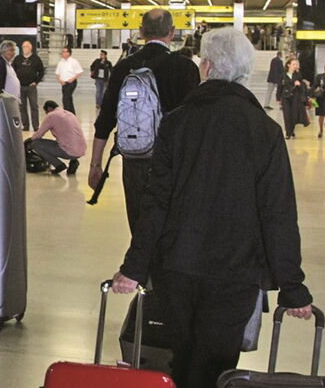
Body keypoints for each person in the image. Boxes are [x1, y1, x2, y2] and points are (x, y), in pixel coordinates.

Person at [111, 27, 314, 388]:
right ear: (246, 71)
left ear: (205, 66)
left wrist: (134, 268)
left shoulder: (177, 122)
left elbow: (155, 202)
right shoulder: (264, 130)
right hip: (235, 272)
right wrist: (292, 286)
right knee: (217, 364)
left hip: (177, 268)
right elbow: (278, 213)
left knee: (183, 355)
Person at [88, 9, 201, 233]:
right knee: (173, 227)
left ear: (141, 32)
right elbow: (196, 122)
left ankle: (140, 266)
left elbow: (106, 120)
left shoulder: (123, 67)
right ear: (172, 32)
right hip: (174, 162)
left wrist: (96, 164)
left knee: (140, 227)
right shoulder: (185, 68)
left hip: (136, 159)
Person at [29, 100, 86, 175]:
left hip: (68, 151)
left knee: (35, 144)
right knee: (66, 140)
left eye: (46, 112)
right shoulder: (69, 113)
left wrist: (29, 141)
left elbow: (39, 134)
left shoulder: (52, 115)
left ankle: (59, 165)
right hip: (81, 150)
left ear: (49, 109)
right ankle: (73, 161)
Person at [14, 40, 45, 131]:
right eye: (23, 47)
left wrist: (36, 81)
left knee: (34, 106)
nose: (25, 48)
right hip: (20, 86)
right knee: (22, 107)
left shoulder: (36, 59)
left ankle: (36, 126)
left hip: (31, 87)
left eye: (27, 46)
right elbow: (13, 70)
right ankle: (25, 125)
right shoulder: (18, 59)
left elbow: (41, 72)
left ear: (31, 48)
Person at [277, 58, 309, 139]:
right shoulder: (283, 75)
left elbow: (302, 87)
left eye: (296, 64)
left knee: (294, 115)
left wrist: (299, 84)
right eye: (293, 64)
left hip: (296, 98)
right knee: (287, 115)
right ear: (288, 65)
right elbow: (279, 87)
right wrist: (278, 98)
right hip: (285, 97)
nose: (295, 66)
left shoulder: (298, 75)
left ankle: (292, 130)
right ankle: (288, 132)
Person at [55, 47, 84, 114]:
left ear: (69, 53)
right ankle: (72, 114)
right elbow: (57, 73)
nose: (63, 53)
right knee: (68, 98)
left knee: (65, 98)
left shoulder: (74, 61)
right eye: (63, 52)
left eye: (65, 52)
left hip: (71, 82)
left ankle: (66, 113)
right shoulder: (61, 62)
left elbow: (80, 72)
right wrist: (59, 80)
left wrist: (73, 78)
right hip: (63, 83)